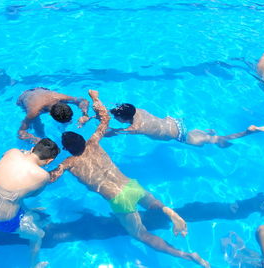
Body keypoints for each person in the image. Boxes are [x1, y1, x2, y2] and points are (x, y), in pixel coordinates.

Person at [50, 90, 209, 267]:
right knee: (155, 205)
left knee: (141, 234)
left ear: (66, 149)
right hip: (131, 185)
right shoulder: (94, 141)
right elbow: (105, 119)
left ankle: (185, 255)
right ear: (82, 139)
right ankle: (171, 213)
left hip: (118, 199)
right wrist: (94, 98)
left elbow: (51, 178)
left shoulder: (68, 163)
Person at [0, 138, 60, 268]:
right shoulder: (42, 176)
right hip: (3, 222)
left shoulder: (13, 152)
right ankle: (35, 264)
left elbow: (4, 157)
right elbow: (33, 194)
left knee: (15, 198)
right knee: (38, 235)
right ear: (49, 161)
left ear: (32, 149)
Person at [106, 103, 264, 148]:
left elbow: (112, 133)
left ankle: (248, 132)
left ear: (123, 117)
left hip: (179, 135)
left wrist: (104, 130)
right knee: (208, 136)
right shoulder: (137, 111)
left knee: (217, 140)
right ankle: (210, 133)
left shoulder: (135, 128)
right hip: (175, 121)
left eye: (117, 117)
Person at [16, 87, 90, 143]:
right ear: (50, 114)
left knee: (66, 121)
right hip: (23, 98)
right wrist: (37, 140)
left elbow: (83, 101)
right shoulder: (34, 112)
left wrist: (85, 114)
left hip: (40, 89)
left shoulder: (61, 98)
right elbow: (21, 132)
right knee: (37, 127)